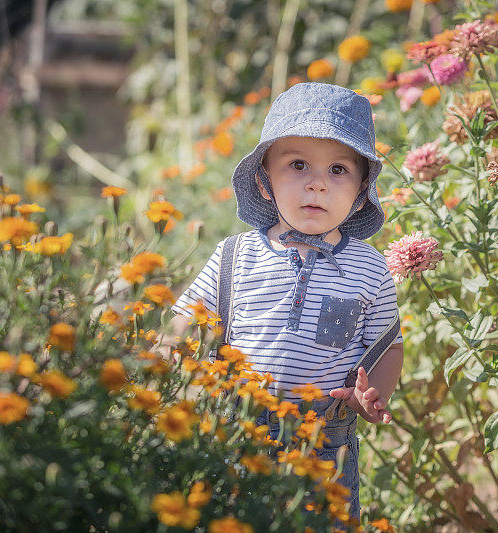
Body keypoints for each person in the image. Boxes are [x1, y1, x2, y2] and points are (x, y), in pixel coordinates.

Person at [166, 82, 404, 526]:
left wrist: (372, 395)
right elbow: (189, 318)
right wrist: (165, 359)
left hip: (324, 436)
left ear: (361, 189)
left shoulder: (368, 267)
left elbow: (388, 345)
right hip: (239, 425)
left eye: (338, 170)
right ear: (264, 179)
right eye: (298, 165)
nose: (317, 183)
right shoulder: (237, 255)